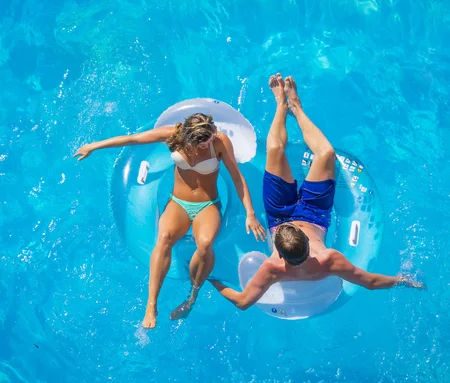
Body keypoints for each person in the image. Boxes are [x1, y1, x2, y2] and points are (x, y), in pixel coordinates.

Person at [210, 74, 426, 311]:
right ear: (305, 244)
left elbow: (242, 302)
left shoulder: (272, 268)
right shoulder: (327, 260)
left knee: (275, 149)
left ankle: (281, 106)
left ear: (280, 254)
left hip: (279, 214)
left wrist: (214, 280)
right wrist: (403, 281)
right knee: (326, 154)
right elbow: (371, 282)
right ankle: (297, 108)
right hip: (314, 214)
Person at [74, 112, 265, 327]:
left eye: (211, 136)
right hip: (178, 202)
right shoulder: (173, 135)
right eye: (205, 142)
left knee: (204, 245)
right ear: (190, 138)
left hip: (207, 205)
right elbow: (134, 138)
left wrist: (250, 213)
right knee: (164, 238)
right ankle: (151, 305)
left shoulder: (219, 141)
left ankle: (192, 297)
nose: (211, 141)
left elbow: (237, 178)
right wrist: (94, 146)